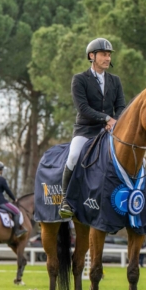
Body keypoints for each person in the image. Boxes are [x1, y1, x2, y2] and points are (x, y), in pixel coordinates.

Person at [58, 38, 126, 219]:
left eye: (109, 55)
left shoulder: (115, 81)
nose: (107, 58)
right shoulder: (80, 79)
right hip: (86, 130)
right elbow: (83, 108)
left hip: (110, 131)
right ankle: (66, 200)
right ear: (92, 56)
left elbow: (120, 106)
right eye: (104, 54)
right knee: (73, 156)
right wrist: (105, 118)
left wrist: (115, 121)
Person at [0, 161, 26, 237]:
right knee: (17, 212)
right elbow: (8, 191)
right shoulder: (2, 179)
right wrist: (14, 199)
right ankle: (17, 231)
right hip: (0, 201)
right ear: (1, 170)